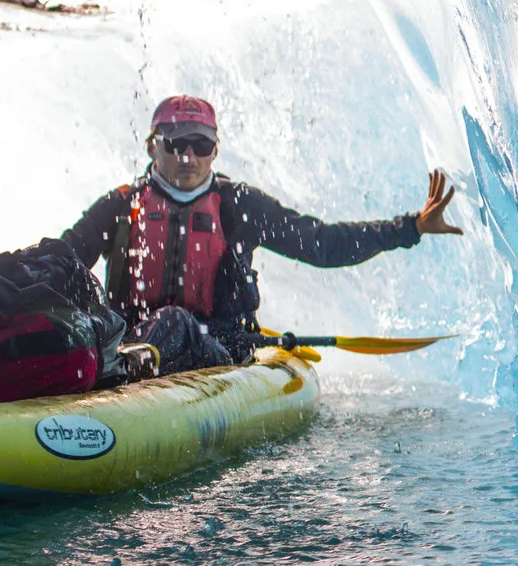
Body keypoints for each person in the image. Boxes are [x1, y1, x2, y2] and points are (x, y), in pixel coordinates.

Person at [59, 95, 463, 374]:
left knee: (176, 324)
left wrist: (410, 227)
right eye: (175, 143)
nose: (188, 157)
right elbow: (62, 261)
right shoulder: (122, 206)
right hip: (131, 344)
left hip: (217, 348)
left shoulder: (238, 206)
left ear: (215, 151)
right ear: (152, 148)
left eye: (200, 145)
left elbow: (322, 244)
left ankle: (130, 366)